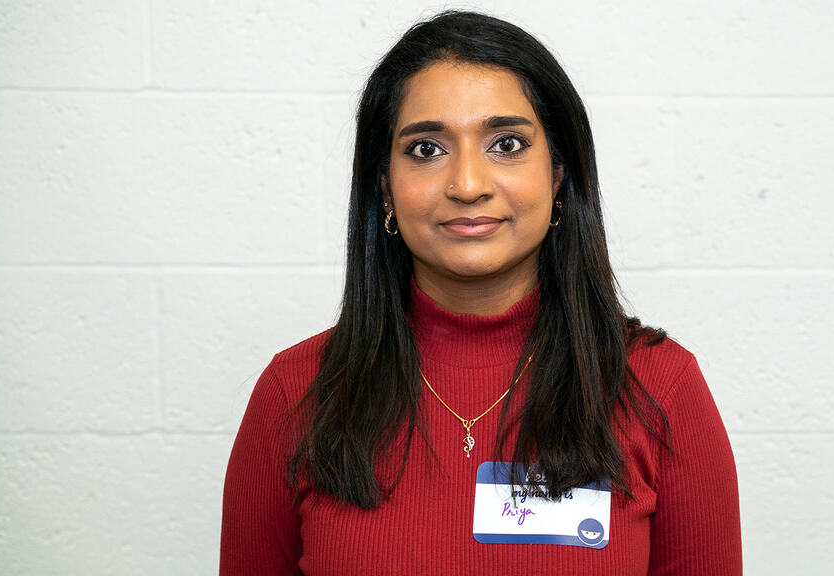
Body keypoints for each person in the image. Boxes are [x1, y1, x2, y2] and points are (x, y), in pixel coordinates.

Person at [220, 10, 741, 576]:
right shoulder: (294, 392)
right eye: (426, 150)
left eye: (507, 143)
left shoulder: (661, 387)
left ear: (559, 173)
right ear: (384, 187)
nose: (468, 184)